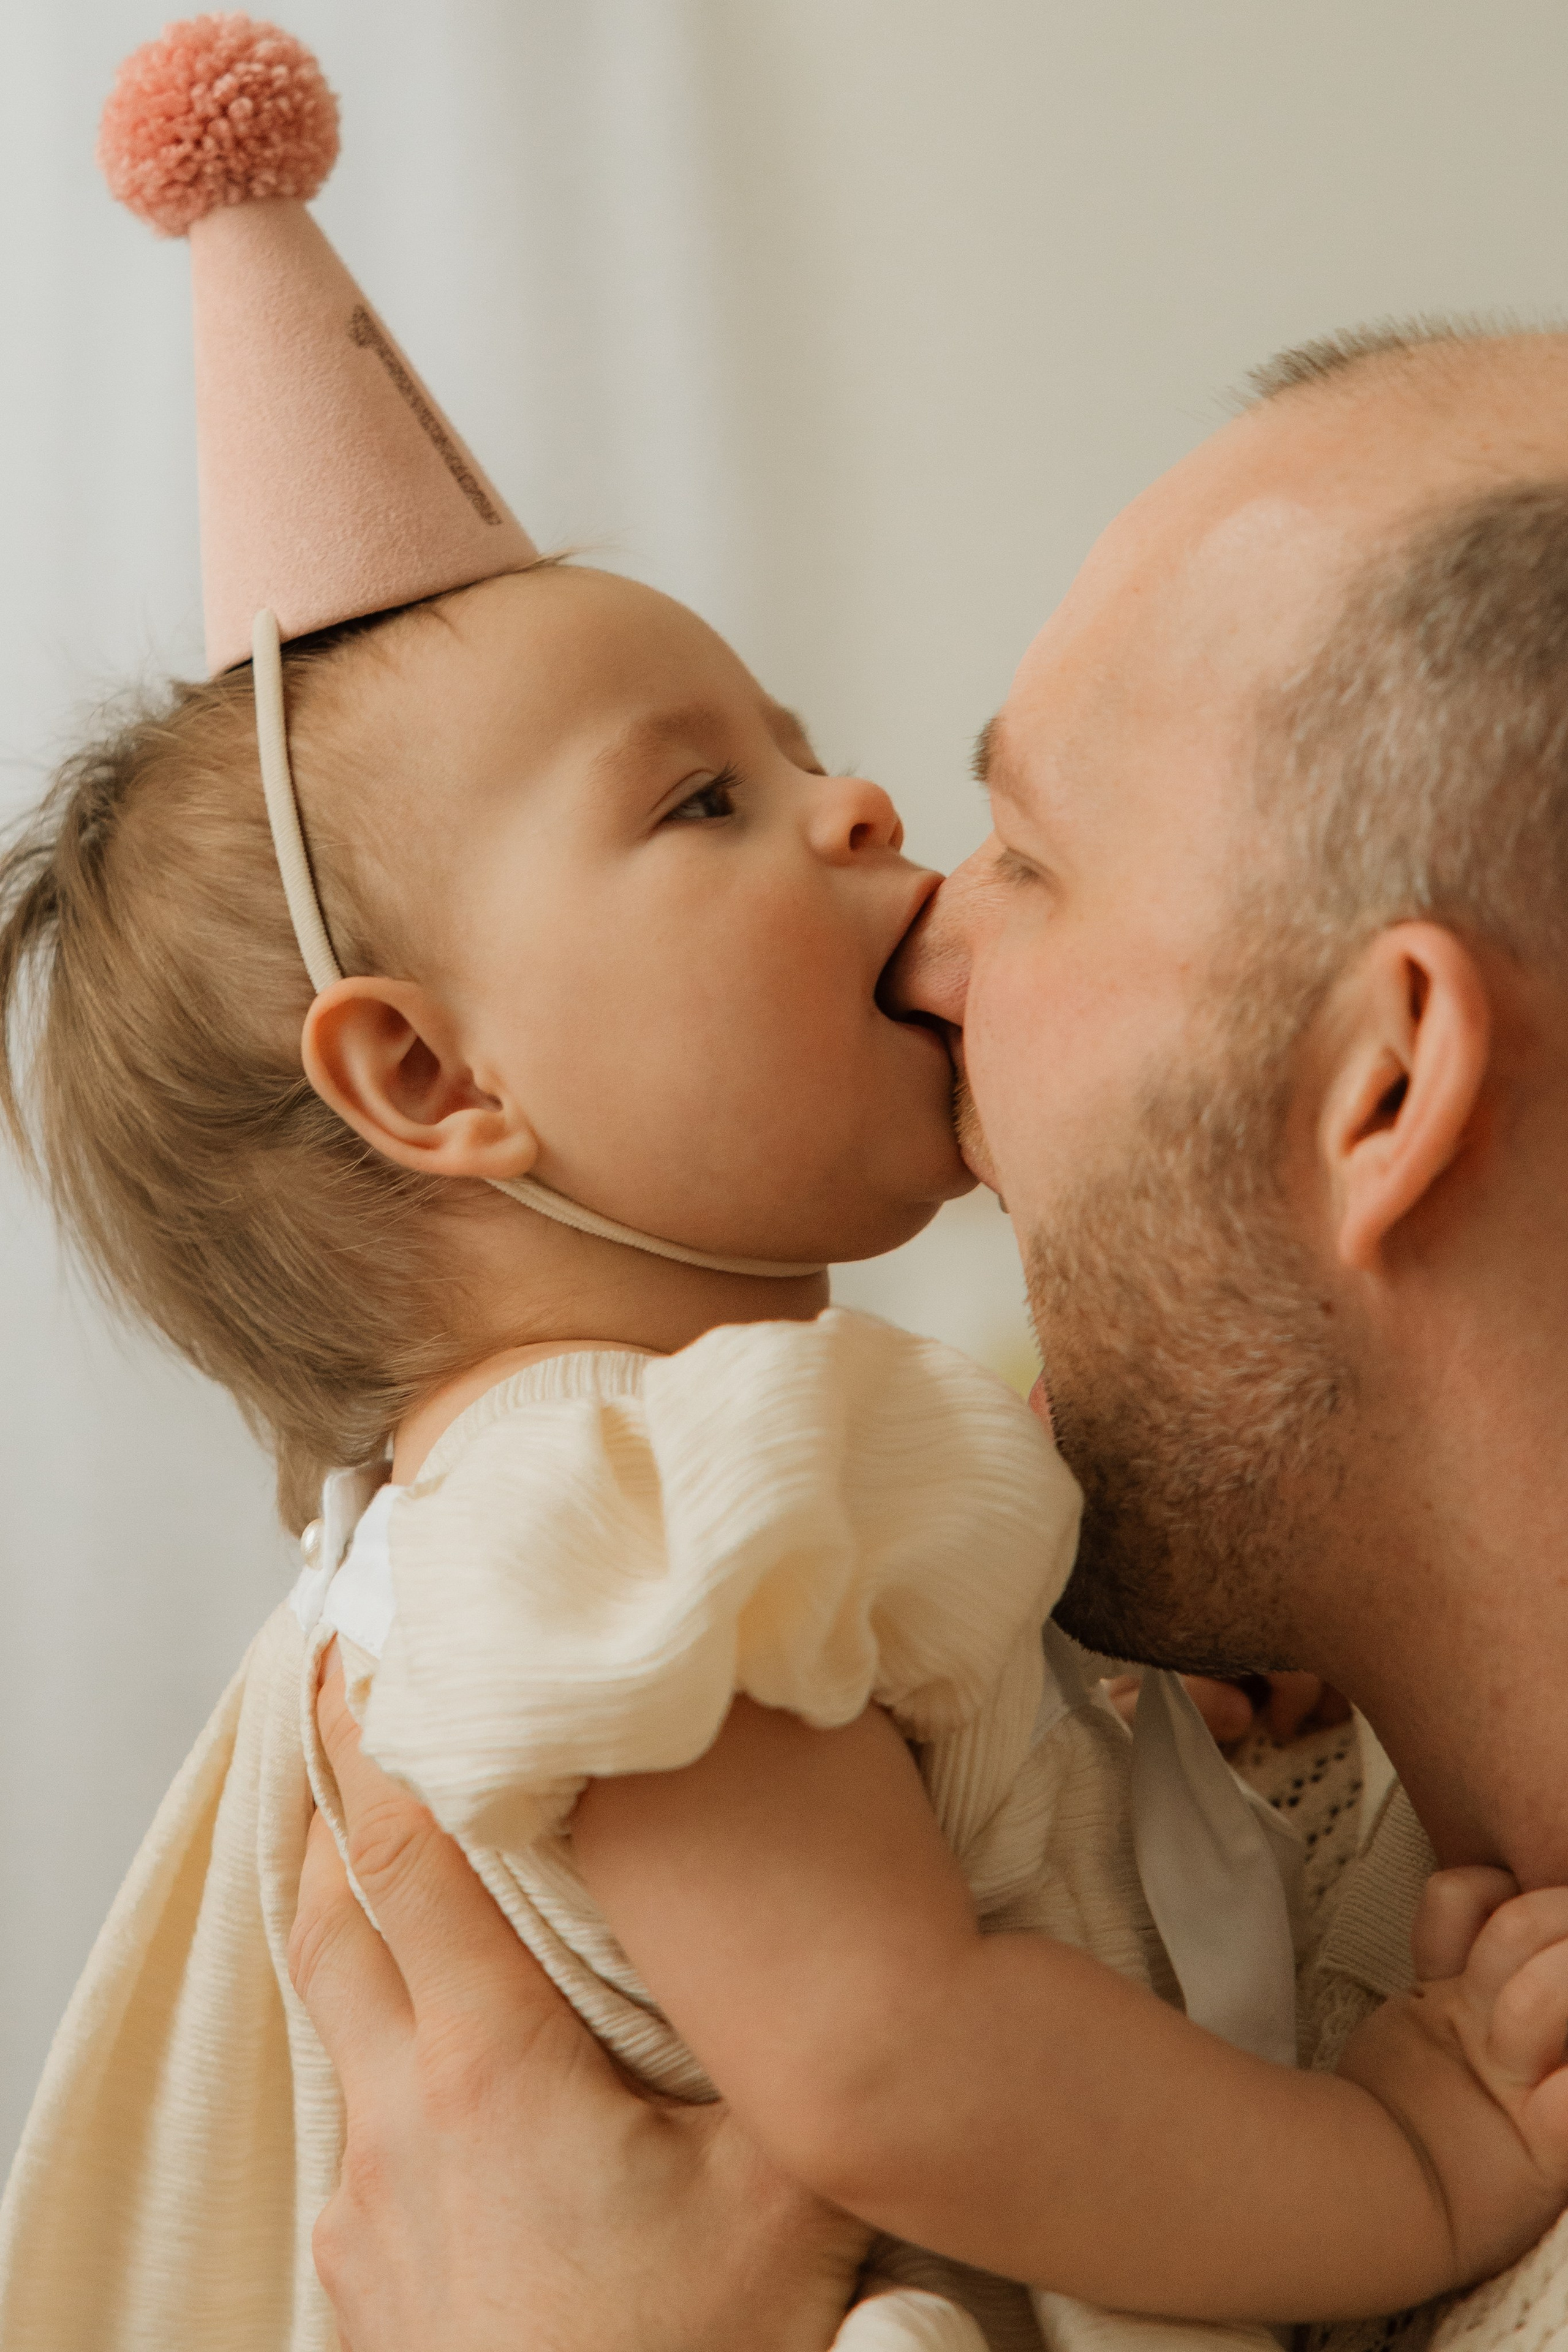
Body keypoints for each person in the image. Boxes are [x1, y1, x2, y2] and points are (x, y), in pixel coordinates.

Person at [7, 20, 1568, 2352]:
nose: (893, 860)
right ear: (430, 1073)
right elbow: (895, 2056)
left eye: (1018, 850)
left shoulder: (762, 1488)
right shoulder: (596, 1515)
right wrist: (1424, 2150)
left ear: (1385, 1090)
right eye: (703, 804)